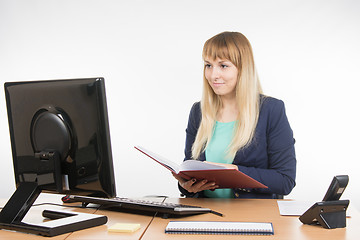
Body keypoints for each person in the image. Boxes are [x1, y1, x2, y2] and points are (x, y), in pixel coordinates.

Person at [172, 31, 296, 199]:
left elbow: (284, 180)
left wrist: (236, 172)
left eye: (223, 66)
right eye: (208, 65)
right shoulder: (198, 112)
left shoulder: (271, 110)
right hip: (203, 216)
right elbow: (189, 170)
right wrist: (186, 185)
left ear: (243, 69)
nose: (213, 75)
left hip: (251, 219)